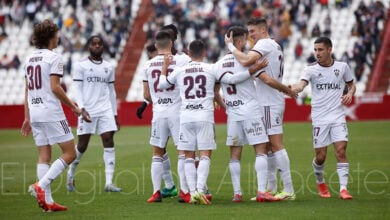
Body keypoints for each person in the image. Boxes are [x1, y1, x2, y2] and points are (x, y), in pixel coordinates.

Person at [158, 39, 266, 204]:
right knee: (205, 155)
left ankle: (192, 192)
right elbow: (231, 79)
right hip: (204, 117)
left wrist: (165, 66)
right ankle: (200, 190)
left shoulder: (180, 70)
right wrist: (253, 70)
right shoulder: (211, 68)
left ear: (188, 53)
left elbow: (162, 84)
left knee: (188, 155)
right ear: (204, 53)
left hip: (186, 117)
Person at [225, 17, 298, 201]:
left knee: (275, 144)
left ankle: (288, 189)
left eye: (252, 32)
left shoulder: (264, 44)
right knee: (267, 147)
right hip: (270, 101)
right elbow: (263, 76)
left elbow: (248, 64)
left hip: (268, 103)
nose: (250, 36)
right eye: (249, 32)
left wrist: (231, 46)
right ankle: (270, 189)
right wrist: (285, 90)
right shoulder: (272, 46)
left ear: (263, 30)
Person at [22, 19, 81, 212]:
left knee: (44, 156)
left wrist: (27, 117)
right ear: (50, 37)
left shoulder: (29, 59)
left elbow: (27, 89)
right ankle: (40, 185)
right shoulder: (53, 58)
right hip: (50, 112)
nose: (58, 38)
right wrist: (73, 106)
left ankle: (47, 202)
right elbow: (55, 87)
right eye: (56, 35)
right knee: (70, 153)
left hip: (36, 111)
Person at [291, 36, 355, 200]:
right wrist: (294, 88)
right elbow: (302, 84)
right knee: (321, 156)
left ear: (329, 50)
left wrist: (350, 93)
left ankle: (343, 189)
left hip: (338, 116)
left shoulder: (342, 67)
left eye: (320, 50)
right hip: (319, 118)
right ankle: (320, 182)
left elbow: (351, 84)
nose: (317, 53)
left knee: (340, 151)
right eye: (315, 50)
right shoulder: (310, 69)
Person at [214, 25, 273, 202]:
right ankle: (262, 191)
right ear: (239, 41)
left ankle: (237, 193)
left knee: (234, 155)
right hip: (251, 111)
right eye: (246, 39)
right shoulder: (247, 60)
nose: (248, 42)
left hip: (233, 114)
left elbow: (215, 92)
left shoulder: (218, 65)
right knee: (261, 150)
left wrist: (226, 108)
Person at [66, 35, 121, 192]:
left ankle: (109, 183)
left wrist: (115, 114)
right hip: (88, 109)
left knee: (108, 140)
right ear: (89, 46)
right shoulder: (80, 65)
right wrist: (81, 108)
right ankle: (70, 174)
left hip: (105, 109)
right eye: (94, 44)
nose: (97, 46)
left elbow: (111, 91)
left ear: (103, 47)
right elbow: (77, 88)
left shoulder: (109, 67)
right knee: (82, 145)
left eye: (99, 44)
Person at [142, 30, 190, 203]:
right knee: (182, 152)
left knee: (157, 153)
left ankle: (156, 192)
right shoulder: (183, 60)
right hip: (177, 112)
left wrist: (157, 99)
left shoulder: (147, 65)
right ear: (171, 43)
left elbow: (146, 94)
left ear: (156, 45)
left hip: (158, 113)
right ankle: (184, 191)